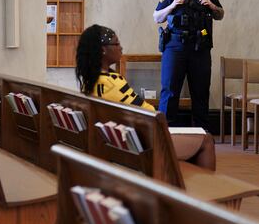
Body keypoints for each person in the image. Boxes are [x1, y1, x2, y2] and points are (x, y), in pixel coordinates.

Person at [76, 24, 215, 170]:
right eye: (116, 43)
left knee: (193, 139)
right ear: (103, 50)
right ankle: (203, 190)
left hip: (116, 141)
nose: (121, 48)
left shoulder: (90, 81)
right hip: (137, 143)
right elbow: (147, 113)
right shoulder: (111, 82)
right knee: (206, 140)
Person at [153, 0, 224, 131]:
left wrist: (212, 6)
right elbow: (157, 17)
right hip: (175, 47)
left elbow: (220, 14)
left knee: (200, 91)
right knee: (169, 90)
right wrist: (171, 6)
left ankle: (202, 133)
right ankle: (165, 132)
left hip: (200, 47)